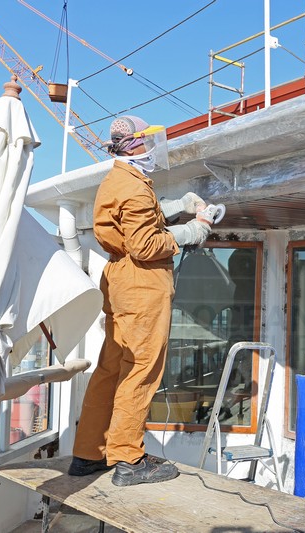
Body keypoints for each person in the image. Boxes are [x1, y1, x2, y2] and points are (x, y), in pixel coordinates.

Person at [68, 115, 212, 486]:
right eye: (147, 140)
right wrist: (191, 230)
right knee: (140, 368)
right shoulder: (133, 187)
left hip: (120, 280)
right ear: (133, 145)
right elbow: (145, 244)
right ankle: (129, 459)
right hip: (142, 282)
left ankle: (88, 454)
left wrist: (178, 205)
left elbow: (136, 221)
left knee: (111, 367)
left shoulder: (118, 179)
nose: (152, 147)